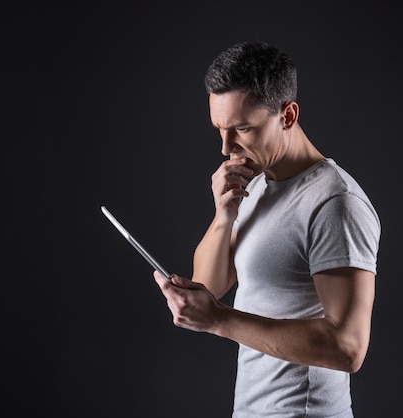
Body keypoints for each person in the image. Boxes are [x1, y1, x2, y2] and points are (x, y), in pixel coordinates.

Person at [153, 40, 381, 417]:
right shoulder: (255, 184)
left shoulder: (334, 202)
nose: (227, 147)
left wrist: (219, 319)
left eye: (242, 128)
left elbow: (348, 347)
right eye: (220, 129)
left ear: (287, 115)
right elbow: (208, 286)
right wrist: (223, 215)